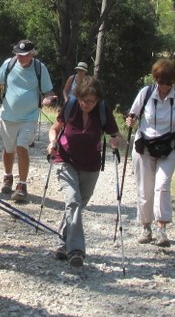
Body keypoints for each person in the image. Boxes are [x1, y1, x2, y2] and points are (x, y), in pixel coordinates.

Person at [47, 75, 122, 268]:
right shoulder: (71, 106)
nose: (85, 104)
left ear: (97, 100)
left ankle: (62, 243)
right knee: (72, 201)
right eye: (82, 99)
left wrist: (115, 141)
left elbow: (115, 135)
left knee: (78, 205)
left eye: (90, 101)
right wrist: (52, 141)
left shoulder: (103, 110)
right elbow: (55, 128)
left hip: (91, 165)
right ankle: (76, 251)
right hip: (65, 160)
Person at [0, 39, 56, 204]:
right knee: (8, 149)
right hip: (9, 117)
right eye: (18, 53)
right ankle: (7, 176)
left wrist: (48, 99)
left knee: (22, 147)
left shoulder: (39, 68)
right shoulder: (9, 63)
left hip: (30, 117)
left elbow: (48, 91)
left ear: (32, 54)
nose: (19, 57)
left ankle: (22, 186)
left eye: (24, 54)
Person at [125, 59, 175, 248]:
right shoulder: (146, 93)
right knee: (145, 188)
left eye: (169, 82)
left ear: (174, 82)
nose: (164, 86)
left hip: (169, 146)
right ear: (156, 79)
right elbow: (132, 115)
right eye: (161, 81)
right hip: (144, 146)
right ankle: (146, 227)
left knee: (162, 185)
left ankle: (161, 229)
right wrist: (129, 121)